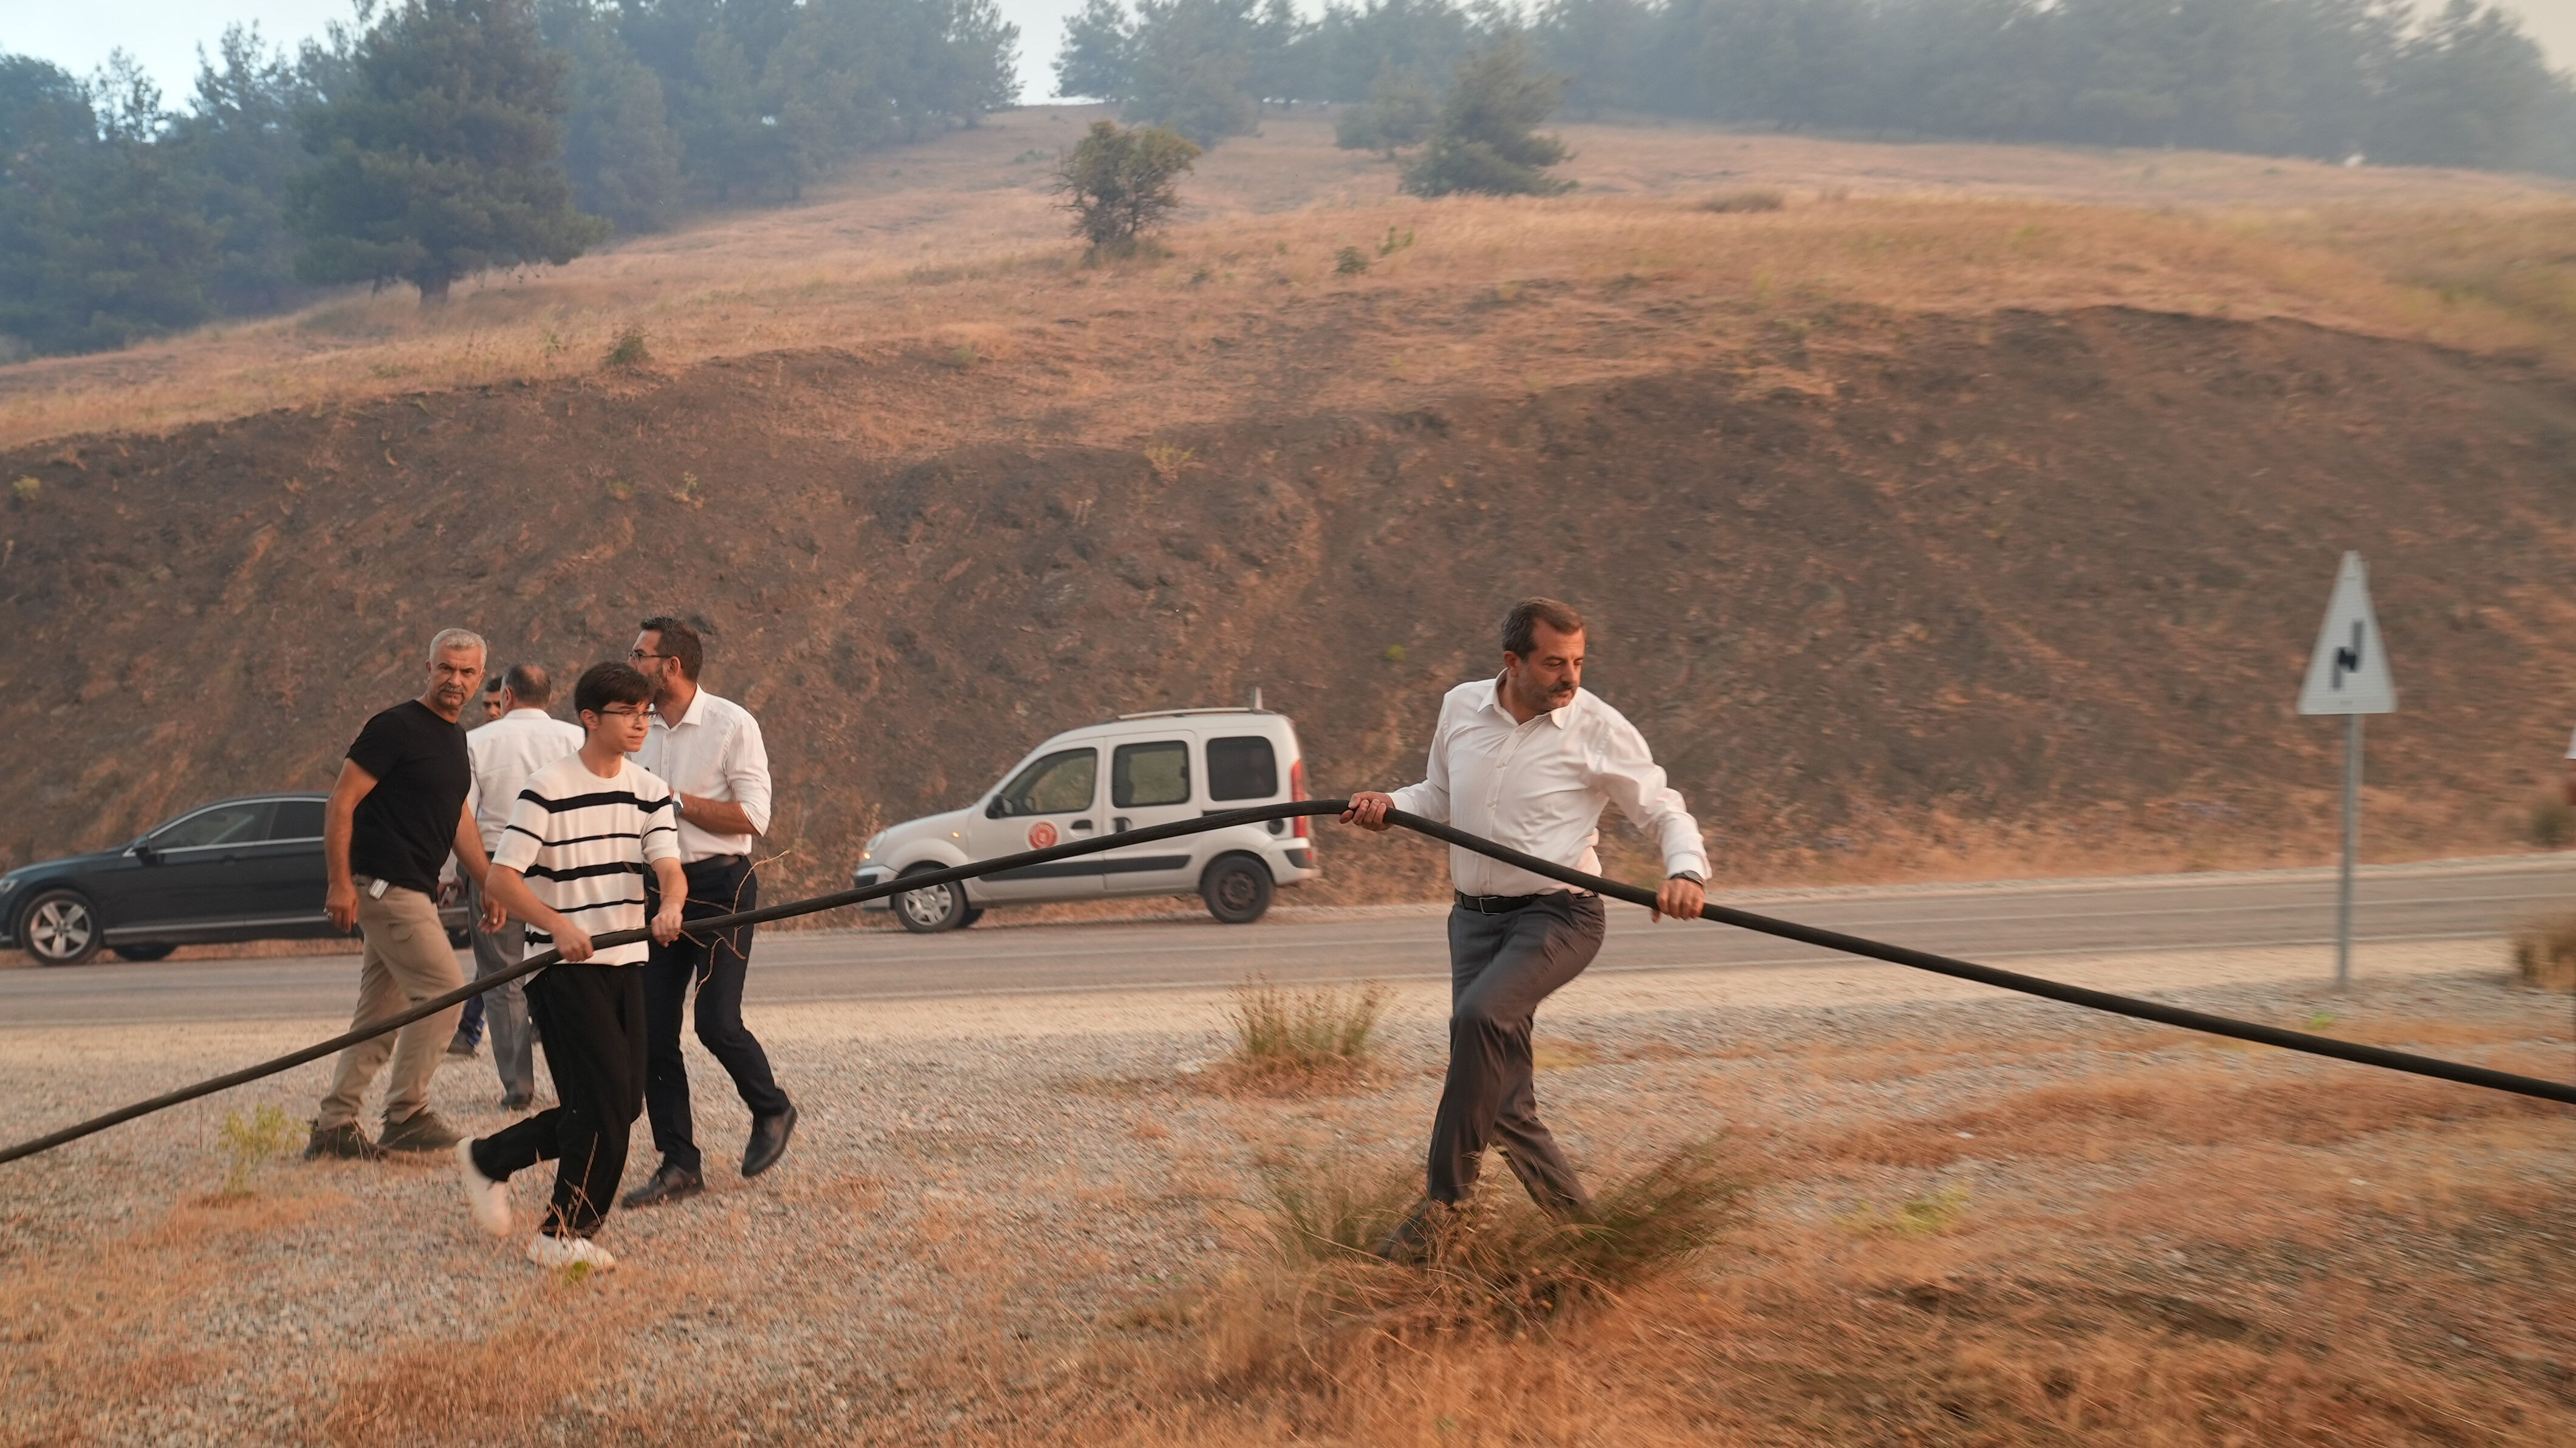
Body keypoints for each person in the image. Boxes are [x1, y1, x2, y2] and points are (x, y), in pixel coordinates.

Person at [1340, 598, 1709, 1259]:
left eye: (1577, 662)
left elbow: (1662, 809)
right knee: (1503, 1102)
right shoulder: (1460, 707)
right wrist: (1391, 804)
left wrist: (1686, 872)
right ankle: (1589, 1240)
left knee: (1480, 1019)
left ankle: (1442, 1212)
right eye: (1553, 663)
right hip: (1472, 922)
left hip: (1558, 915)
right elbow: (1440, 795)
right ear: (1511, 662)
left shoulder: (1596, 726)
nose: (1569, 677)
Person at [455, 662, 687, 1271]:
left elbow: (667, 863)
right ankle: (562, 1233)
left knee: (620, 1103)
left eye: (647, 713)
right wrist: (557, 924)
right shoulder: (547, 786)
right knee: (604, 1101)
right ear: (591, 718)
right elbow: (503, 876)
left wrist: (674, 902)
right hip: (559, 966)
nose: (642, 723)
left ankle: (492, 1156)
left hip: (625, 960)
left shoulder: (649, 788)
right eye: (629, 713)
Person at [307, 628, 506, 1161]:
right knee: (445, 995)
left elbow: (458, 816)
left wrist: (488, 882)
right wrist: (339, 882)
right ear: (428, 668)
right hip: (384, 886)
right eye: (446, 668)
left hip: (412, 887)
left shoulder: (455, 738)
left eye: (467, 672)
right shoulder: (393, 727)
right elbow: (341, 802)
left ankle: (334, 1127)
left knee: (379, 1017)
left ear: (481, 678)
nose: (455, 680)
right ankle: (407, 1115)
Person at [620, 616, 797, 1208]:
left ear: (671, 664)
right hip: (655, 887)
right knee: (651, 1031)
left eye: (640, 654)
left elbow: (753, 818)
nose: (632, 662)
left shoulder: (731, 723)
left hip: (722, 885)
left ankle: (771, 1109)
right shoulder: (635, 727)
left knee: (716, 1021)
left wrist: (672, 800)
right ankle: (679, 1162)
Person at [449, 663, 583, 1108]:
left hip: (499, 868)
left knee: (503, 976)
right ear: (548, 696)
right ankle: (576, 1078)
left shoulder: (475, 742)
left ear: (506, 697)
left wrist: (477, 878)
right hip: (566, 867)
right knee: (567, 970)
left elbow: (462, 816)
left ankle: (519, 1086)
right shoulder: (576, 738)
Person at [447, 674, 520, 1062]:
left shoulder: (514, 745)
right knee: (493, 957)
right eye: (486, 706)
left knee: (498, 960)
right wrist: (451, 873)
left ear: (510, 701)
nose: (492, 712)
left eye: (498, 704)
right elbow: (458, 814)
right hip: (485, 862)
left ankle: (469, 1031)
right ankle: (468, 1030)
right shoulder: (473, 745)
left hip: (522, 862)